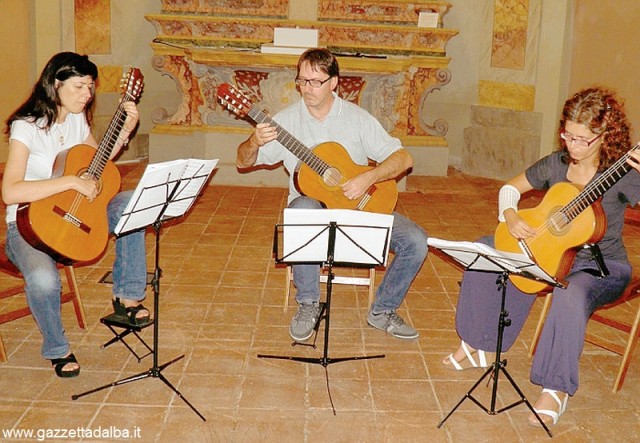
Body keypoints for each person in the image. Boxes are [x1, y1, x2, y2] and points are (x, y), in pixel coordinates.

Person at [442, 87, 640, 426]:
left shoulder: (625, 175)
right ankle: (481, 344)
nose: (572, 146)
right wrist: (512, 216)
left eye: (582, 139)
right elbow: (509, 189)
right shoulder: (557, 162)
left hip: (601, 265)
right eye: (568, 136)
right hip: (552, 251)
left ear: (605, 136)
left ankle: (555, 388)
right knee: (485, 251)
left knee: (570, 292)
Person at [236, 48, 428, 341]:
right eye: (301, 81)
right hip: (312, 213)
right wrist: (252, 141)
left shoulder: (357, 118)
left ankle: (383, 310)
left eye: (315, 81)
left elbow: (404, 158)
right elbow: (242, 162)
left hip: (360, 208)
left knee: (416, 241)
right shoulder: (284, 122)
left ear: (334, 82)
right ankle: (308, 304)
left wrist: (369, 177)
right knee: (302, 208)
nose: (306, 88)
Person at [2, 52, 150, 378]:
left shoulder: (75, 118)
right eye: (80, 86)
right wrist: (69, 181)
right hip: (28, 228)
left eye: (90, 88)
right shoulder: (25, 127)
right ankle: (56, 348)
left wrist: (123, 132)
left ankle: (127, 297)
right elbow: (10, 192)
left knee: (131, 204)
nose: (87, 95)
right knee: (43, 279)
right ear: (56, 85)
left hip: (75, 216)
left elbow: (96, 164)